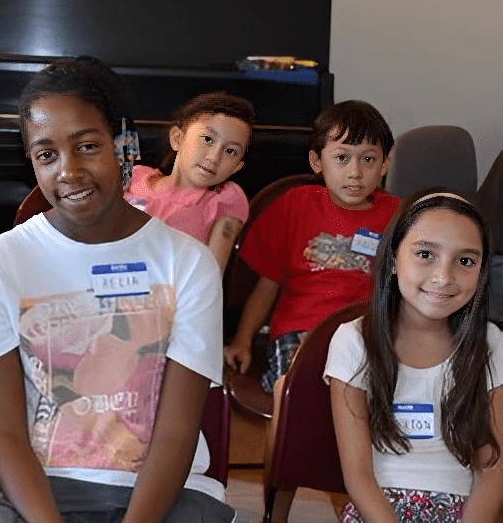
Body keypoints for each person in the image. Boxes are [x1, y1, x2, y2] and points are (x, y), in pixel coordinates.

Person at [0, 57, 234, 523]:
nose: (68, 171)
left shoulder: (188, 263)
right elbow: (5, 434)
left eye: (87, 146)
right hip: (36, 489)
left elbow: (176, 432)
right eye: (47, 155)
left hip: (164, 493)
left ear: (124, 144)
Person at [326, 191, 503, 522]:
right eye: (425, 254)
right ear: (393, 259)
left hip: (464, 509)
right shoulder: (354, 341)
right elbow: (358, 476)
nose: (444, 277)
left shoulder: (491, 343)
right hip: (379, 509)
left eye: (465, 261)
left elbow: (493, 469)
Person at [224, 100, 401, 393]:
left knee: (372, 394)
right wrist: (242, 341)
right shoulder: (295, 205)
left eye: (368, 159)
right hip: (300, 330)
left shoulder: (399, 215)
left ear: (385, 164)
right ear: (317, 162)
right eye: (342, 158)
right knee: (294, 392)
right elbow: (267, 284)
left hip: (369, 332)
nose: (355, 172)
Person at [125, 91, 253, 270]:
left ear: (237, 167)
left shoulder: (223, 201)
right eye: (207, 139)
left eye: (230, 151)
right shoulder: (135, 179)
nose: (214, 157)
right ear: (177, 138)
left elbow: (212, 276)